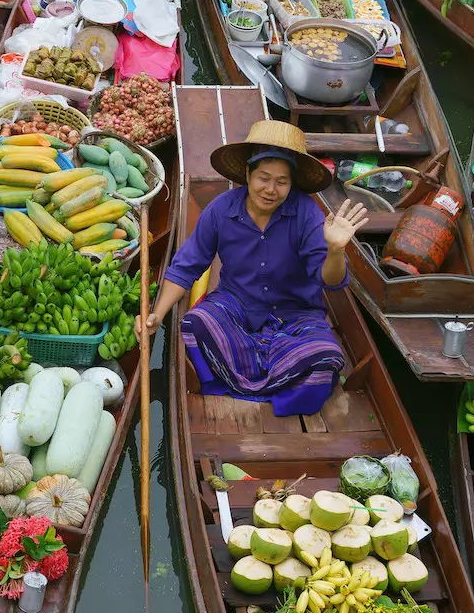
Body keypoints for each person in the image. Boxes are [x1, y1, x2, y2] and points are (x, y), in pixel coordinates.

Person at [144, 120, 368, 416]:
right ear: (247, 175)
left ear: (292, 184)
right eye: (263, 178)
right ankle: (277, 376)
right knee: (195, 323)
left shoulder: (305, 212)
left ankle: (246, 380)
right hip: (237, 305)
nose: (271, 189)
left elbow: (330, 280)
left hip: (297, 314)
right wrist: (157, 315)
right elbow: (187, 266)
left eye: (282, 181)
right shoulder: (222, 209)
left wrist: (336, 250)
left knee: (326, 357)